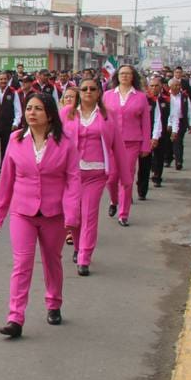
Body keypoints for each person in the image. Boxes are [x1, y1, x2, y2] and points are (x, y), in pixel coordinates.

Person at [0, 91, 81, 339]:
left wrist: (72, 216)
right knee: (22, 263)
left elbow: (73, 181)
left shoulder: (65, 142)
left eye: (38, 109)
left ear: (50, 114)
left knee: (52, 260)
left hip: (54, 213)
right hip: (23, 211)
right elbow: (7, 177)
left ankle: (54, 303)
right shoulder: (16, 139)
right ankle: (15, 317)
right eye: (29, 108)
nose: (31, 113)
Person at [65, 76, 119, 277]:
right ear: (79, 92)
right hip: (72, 173)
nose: (88, 92)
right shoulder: (67, 114)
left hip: (96, 173)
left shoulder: (107, 115)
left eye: (92, 89)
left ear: (99, 93)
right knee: (75, 215)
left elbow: (117, 147)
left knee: (89, 215)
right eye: (84, 88)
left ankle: (85, 257)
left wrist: (123, 176)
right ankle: (78, 246)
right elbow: (55, 140)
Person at [107, 65, 154, 227]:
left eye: (128, 74)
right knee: (111, 178)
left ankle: (123, 213)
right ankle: (114, 201)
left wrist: (145, 145)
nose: (125, 76)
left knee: (126, 179)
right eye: (122, 74)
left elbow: (146, 123)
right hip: (111, 143)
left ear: (133, 76)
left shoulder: (140, 97)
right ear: (117, 76)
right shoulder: (107, 96)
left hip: (131, 142)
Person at [167, 77, 191, 171]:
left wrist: (190, 123)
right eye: (176, 85)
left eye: (179, 85)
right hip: (167, 123)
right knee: (168, 142)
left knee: (178, 141)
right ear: (170, 86)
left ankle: (179, 161)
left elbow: (190, 110)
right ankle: (168, 158)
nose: (178, 87)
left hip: (181, 122)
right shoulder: (166, 96)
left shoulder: (184, 96)